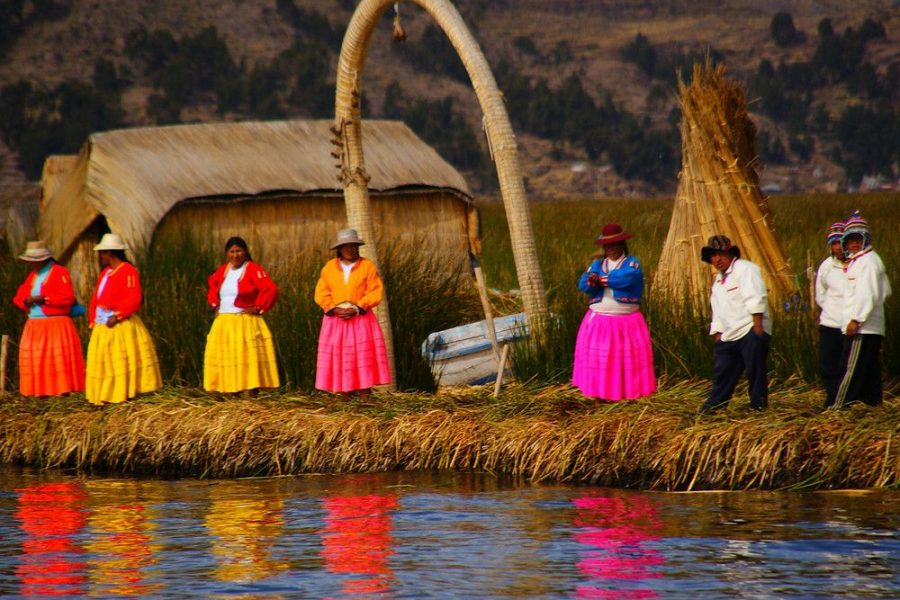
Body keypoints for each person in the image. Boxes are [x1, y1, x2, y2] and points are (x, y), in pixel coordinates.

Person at [572, 223, 656, 400]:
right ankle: (599, 393)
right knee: (601, 361)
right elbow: (583, 283)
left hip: (626, 324)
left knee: (624, 362)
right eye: (607, 245)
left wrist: (599, 280)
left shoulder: (632, 264)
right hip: (599, 323)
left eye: (615, 244)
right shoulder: (597, 264)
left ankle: (626, 393)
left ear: (622, 244)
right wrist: (590, 281)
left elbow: (626, 279)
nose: (611, 249)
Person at [314, 228, 391, 400]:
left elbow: (375, 291)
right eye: (346, 246)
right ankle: (343, 395)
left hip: (360, 319)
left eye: (353, 246)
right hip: (336, 320)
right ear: (339, 249)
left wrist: (358, 307)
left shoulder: (367, 266)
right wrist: (334, 308)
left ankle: (364, 395)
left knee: (361, 356)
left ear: (358, 247)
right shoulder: (329, 268)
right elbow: (321, 292)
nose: (350, 249)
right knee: (340, 356)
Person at [85, 233, 161, 405]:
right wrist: (92, 320)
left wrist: (118, 316)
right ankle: (104, 395)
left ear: (110, 253)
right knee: (105, 361)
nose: (100, 256)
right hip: (102, 324)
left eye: (103, 252)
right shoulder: (105, 273)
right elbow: (96, 298)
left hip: (118, 324)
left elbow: (134, 298)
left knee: (118, 361)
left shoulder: (128, 271)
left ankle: (122, 394)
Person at [699, 235, 770, 414]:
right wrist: (718, 333)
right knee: (722, 372)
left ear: (730, 253)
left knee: (755, 370)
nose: (717, 259)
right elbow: (717, 308)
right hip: (730, 333)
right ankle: (714, 407)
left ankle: (758, 406)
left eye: (721, 254)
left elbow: (756, 294)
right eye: (714, 256)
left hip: (749, 329)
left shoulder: (745, 269)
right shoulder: (718, 281)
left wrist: (757, 327)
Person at [831, 211, 892, 409]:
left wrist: (856, 319)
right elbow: (885, 290)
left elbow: (869, 293)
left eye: (858, 240)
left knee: (850, 368)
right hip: (868, 326)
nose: (854, 244)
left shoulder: (868, 262)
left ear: (866, 239)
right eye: (850, 241)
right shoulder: (859, 262)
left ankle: (838, 406)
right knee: (869, 368)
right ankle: (874, 405)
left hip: (863, 327)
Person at [204, 236, 280, 393]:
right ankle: (232, 391)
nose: (235, 255)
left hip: (244, 321)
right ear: (227, 253)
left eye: (238, 251)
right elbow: (213, 285)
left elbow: (270, 289)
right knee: (228, 357)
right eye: (231, 251)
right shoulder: (223, 270)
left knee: (246, 357)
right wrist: (214, 304)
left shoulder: (253, 269)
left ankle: (252, 392)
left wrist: (259, 307)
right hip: (224, 321)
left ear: (245, 252)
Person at [11, 240, 85, 396]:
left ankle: (62, 391)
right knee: (39, 360)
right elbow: (20, 295)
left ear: (44, 259)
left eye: (34, 260)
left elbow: (67, 297)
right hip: (35, 325)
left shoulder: (59, 272)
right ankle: (41, 391)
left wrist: (44, 299)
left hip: (55, 324)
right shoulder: (32, 276)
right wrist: (26, 301)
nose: (31, 264)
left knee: (55, 360)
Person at [814, 221, 848, 408]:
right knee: (828, 365)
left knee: (848, 366)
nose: (838, 248)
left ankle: (848, 400)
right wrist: (831, 310)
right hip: (829, 323)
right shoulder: (827, 266)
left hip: (850, 325)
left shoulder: (857, 264)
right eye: (834, 244)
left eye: (841, 243)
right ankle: (832, 399)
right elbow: (820, 294)